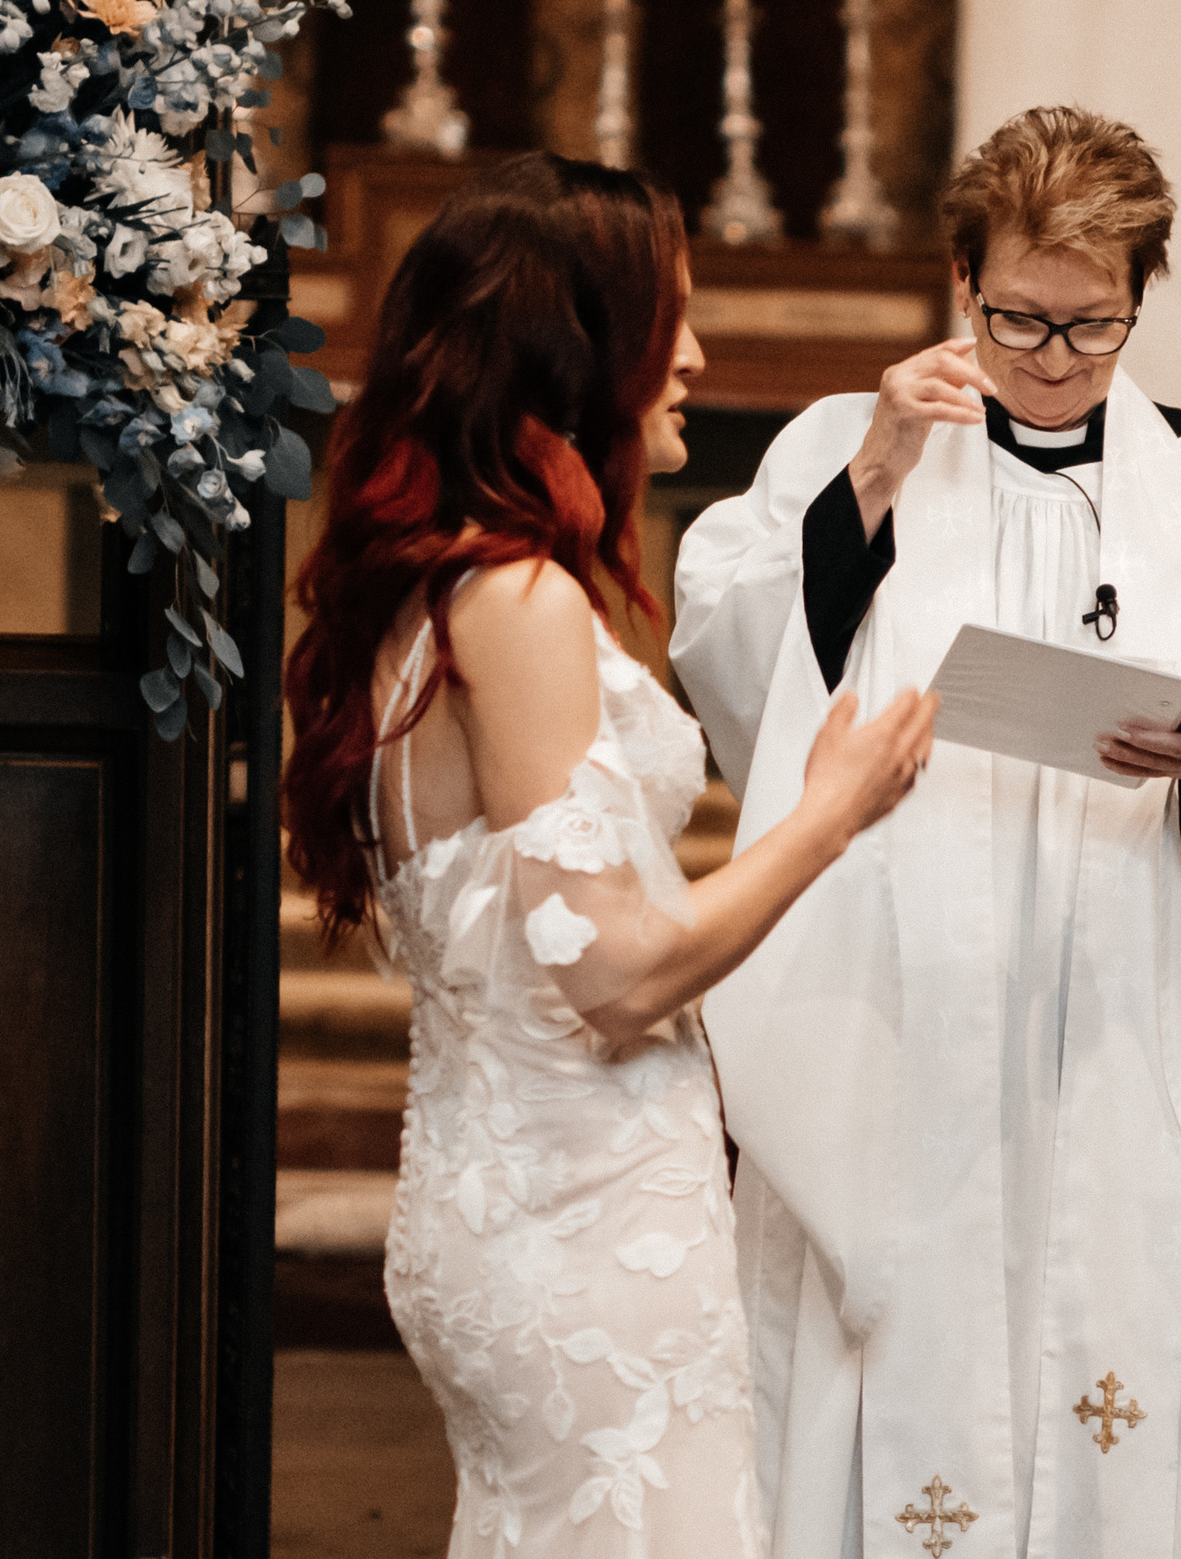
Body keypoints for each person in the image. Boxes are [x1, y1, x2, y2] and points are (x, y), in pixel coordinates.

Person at [670, 106, 1181, 1558]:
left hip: (1135, 1027)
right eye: (1018, 321)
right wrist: (871, 477)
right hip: (903, 1023)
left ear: (1141, 298)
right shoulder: (848, 443)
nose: (1053, 362)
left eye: (1092, 327)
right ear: (959, 279)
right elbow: (736, 668)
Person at [280, 154, 937, 1557]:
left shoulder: (437, 587)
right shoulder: (512, 597)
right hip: (586, 1239)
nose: (694, 355)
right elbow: (618, 976)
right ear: (578, 351)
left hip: (509, 1204)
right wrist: (835, 805)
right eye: (670, 320)